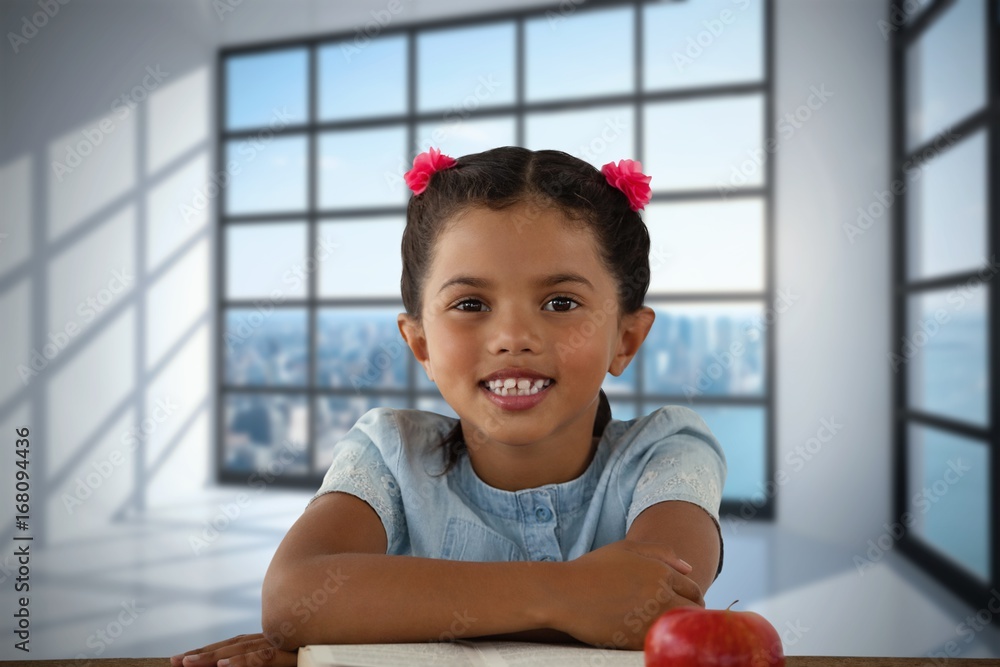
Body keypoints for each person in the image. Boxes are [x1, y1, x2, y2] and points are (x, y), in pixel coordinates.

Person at [172, 146, 727, 667]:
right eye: (470, 303)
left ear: (626, 339)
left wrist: (359, 626)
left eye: (561, 302)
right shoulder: (390, 452)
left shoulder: (668, 451)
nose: (513, 336)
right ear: (420, 345)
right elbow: (294, 598)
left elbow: (655, 606)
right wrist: (568, 595)